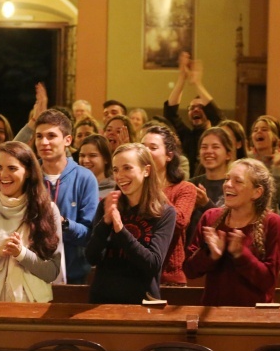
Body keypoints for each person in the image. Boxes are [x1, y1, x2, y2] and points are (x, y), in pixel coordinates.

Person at [0, 141, 64, 302]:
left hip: (29, 307)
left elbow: (52, 271)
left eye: (12, 168)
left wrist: (21, 253)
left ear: (28, 171)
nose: (3, 175)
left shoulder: (48, 210)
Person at [184, 158, 280, 306]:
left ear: (257, 192)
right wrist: (210, 254)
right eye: (227, 179)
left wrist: (241, 254)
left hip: (255, 317)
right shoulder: (210, 217)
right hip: (214, 314)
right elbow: (189, 270)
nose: (228, 185)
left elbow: (268, 281)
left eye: (238, 181)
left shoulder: (273, 223)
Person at [86, 143, 175, 304]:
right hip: (103, 301)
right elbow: (92, 257)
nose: (120, 176)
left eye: (127, 168)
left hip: (143, 303)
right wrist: (105, 224)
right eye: (115, 169)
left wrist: (120, 230)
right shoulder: (108, 205)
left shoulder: (165, 213)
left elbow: (152, 264)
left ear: (146, 170)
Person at [34, 109, 99, 284]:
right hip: (33, 273)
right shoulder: (29, 177)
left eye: (51, 136)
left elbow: (89, 234)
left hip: (74, 276)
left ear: (67, 140)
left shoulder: (85, 178)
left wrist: (62, 224)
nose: (44, 142)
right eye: (39, 136)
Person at [141, 124, 197, 285]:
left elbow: (179, 222)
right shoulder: (136, 188)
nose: (146, 152)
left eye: (153, 147)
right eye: (143, 147)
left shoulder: (185, 189)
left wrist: (154, 187)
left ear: (169, 156)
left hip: (168, 277)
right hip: (136, 273)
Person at [163, 52, 224, 176]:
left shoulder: (218, 134)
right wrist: (181, 79)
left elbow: (217, 116)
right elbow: (170, 113)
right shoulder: (186, 136)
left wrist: (197, 83)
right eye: (192, 108)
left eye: (200, 107)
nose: (196, 110)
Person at [187, 127, 235, 243]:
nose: (208, 151)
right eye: (204, 147)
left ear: (228, 154)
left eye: (215, 147)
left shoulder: (234, 186)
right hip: (191, 251)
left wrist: (206, 204)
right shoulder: (190, 185)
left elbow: (232, 224)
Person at [248, 116, 280, 215]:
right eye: (255, 130)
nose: (259, 132)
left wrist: (277, 167)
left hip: (269, 217)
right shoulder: (246, 160)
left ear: (274, 138)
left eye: (264, 129)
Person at [78, 134, 116, 199]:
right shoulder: (74, 186)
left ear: (106, 159)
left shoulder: (115, 189)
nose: (86, 160)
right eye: (82, 155)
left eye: (92, 155)